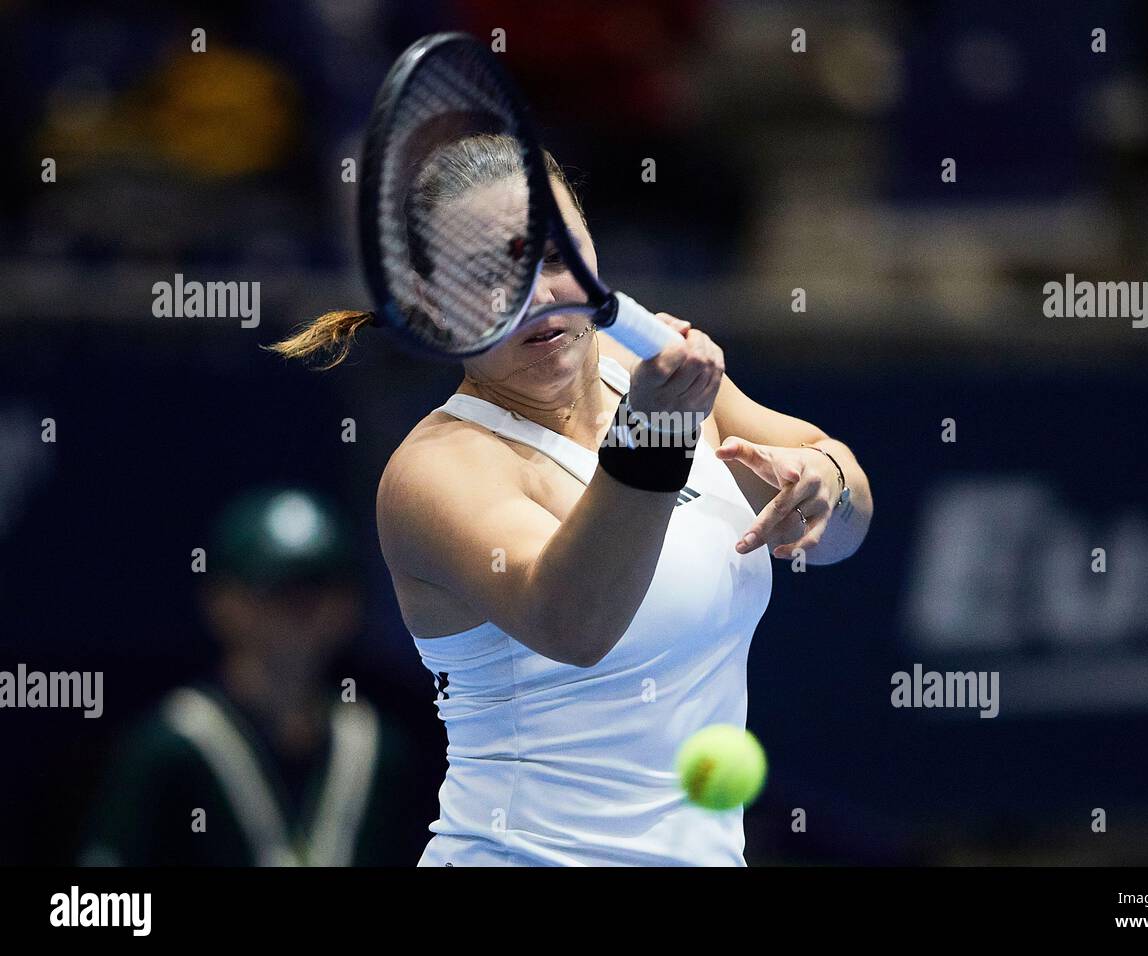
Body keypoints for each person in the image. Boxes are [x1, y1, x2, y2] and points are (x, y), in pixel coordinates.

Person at [272, 135, 873, 865]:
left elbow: (843, 518)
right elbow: (573, 624)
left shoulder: (646, 366)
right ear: (428, 303)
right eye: (486, 278)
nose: (536, 297)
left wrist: (825, 481)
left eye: (556, 259)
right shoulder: (436, 471)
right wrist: (655, 433)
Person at [81, 487, 422, 866]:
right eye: (279, 591)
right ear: (222, 601)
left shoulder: (380, 749)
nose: (302, 611)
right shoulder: (169, 749)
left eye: (318, 589)